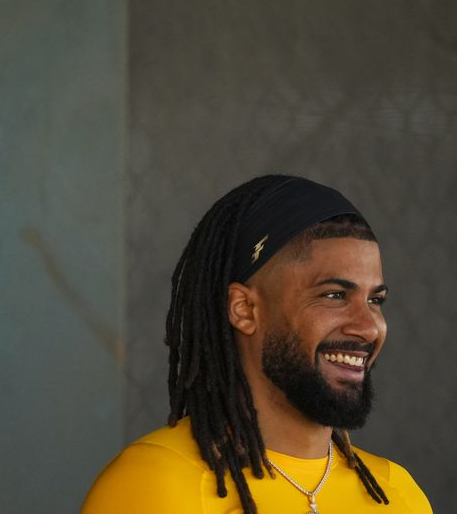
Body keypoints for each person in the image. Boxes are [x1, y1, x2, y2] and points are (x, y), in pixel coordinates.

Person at [81, 175, 431, 513]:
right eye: (334, 295)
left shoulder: (397, 494)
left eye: (375, 300)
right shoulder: (156, 485)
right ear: (245, 309)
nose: (369, 328)